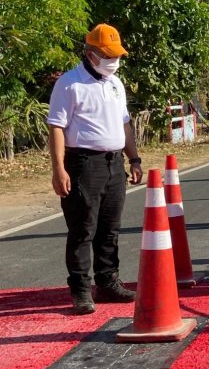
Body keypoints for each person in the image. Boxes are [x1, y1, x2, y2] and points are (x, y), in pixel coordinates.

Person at [47, 24, 142, 315]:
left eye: (117, 55)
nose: (114, 60)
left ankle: (108, 281)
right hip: (83, 164)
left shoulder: (115, 83)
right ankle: (80, 289)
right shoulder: (69, 84)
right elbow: (57, 127)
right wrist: (59, 169)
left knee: (110, 228)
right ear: (90, 54)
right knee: (82, 228)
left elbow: (124, 123)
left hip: (114, 163)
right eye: (108, 55)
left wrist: (134, 158)